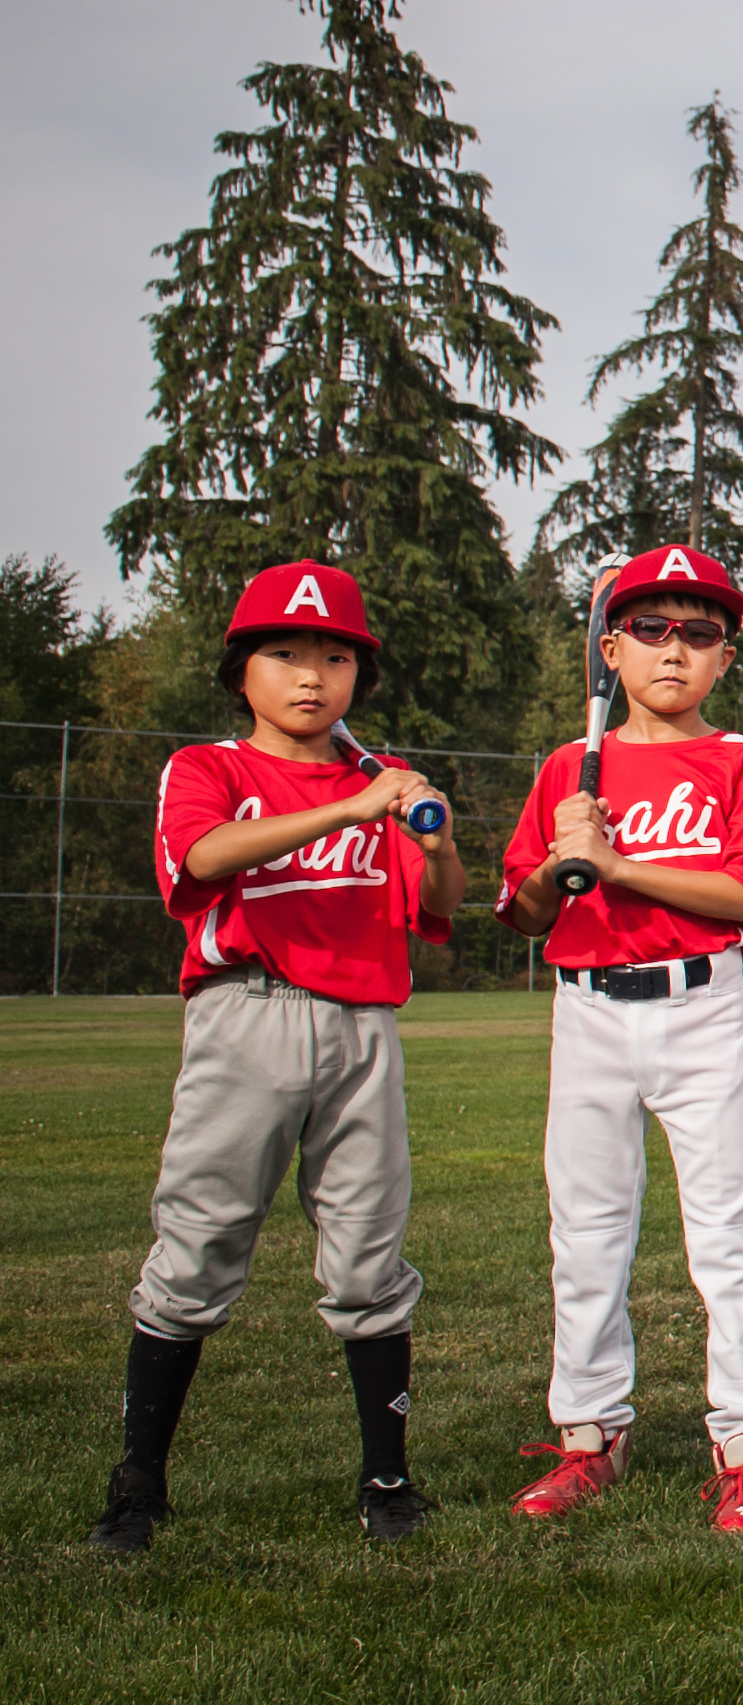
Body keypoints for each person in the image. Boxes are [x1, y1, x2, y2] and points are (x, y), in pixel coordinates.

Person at [90, 561, 463, 1553]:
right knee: (200, 1242)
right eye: (285, 653)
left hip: (363, 1026)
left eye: (334, 655)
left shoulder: (376, 778)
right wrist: (353, 808)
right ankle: (140, 1479)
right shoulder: (212, 768)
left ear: (357, 676)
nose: (311, 675)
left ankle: (387, 1476)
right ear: (241, 671)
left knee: (370, 1254)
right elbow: (202, 858)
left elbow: (438, 909)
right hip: (246, 1013)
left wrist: (436, 834)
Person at [494, 545, 743, 1531]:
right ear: (609, 649)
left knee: (728, 1231)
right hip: (585, 1006)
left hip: (700, 1004)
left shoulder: (742, 760)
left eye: (700, 632)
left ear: (725, 657)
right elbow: (523, 911)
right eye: (653, 629)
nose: (676, 648)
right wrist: (559, 859)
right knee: (585, 1232)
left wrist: (617, 865)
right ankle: (589, 1435)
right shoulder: (564, 771)